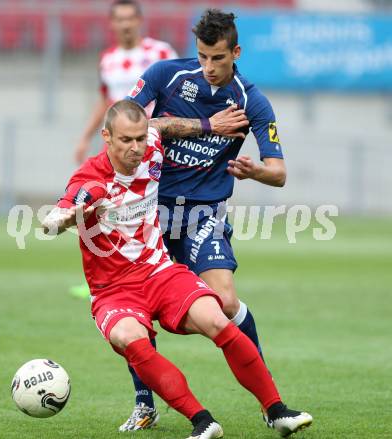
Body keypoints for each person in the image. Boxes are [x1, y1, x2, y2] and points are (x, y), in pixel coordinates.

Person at [42, 100, 313, 439]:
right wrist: (62, 220)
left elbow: (163, 127)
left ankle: (276, 411)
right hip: (114, 291)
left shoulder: (152, 147)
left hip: (160, 272)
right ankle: (202, 421)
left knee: (217, 317)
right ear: (106, 137)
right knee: (130, 338)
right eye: (126, 140)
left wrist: (209, 124)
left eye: (140, 138)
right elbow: (57, 215)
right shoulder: (90, 180)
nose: (136, 147)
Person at [122, 8, 289, 431]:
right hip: (151, 214)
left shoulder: (253, 101)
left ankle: (270, 403)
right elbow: (131, 124)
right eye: (202, 57)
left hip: (203, 216)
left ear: (236, 52)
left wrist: (255, 172)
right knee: (136, 311)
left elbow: (279, 172)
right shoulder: (167, 75)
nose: (209, 67)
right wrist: (204, 125)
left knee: (227, 303)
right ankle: (145, 405)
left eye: (218, 58)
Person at [74, 0, 177, 165]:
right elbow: (105, 101)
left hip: (153, 136)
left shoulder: (161, 52)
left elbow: (179, 94)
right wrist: (85, 138)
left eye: (130, 18)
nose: (126, 24)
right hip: (119, 139)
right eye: (120, 19)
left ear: (139, 20)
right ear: (112, 23)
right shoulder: (107, 59)